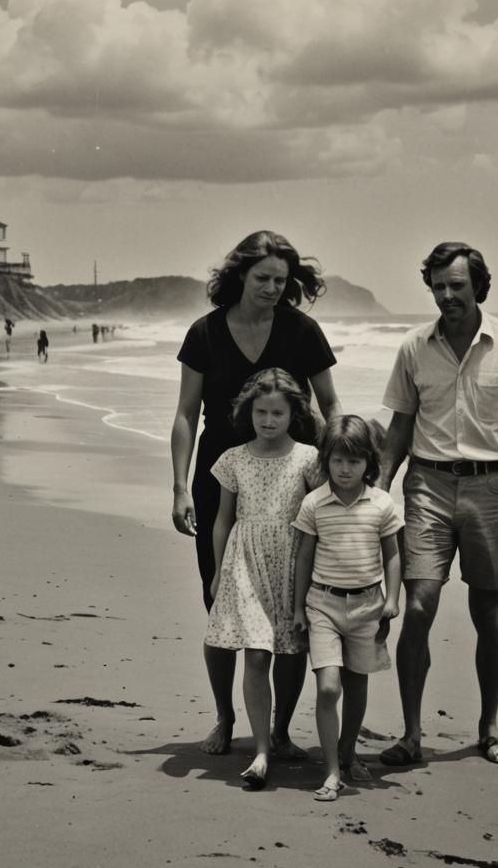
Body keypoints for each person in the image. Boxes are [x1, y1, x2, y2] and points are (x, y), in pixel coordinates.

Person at [171, 230, 343, 757]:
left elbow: (332, 408)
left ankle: (283, 730)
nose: (272, 288)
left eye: (281, 281)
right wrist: (180, 487)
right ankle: (224, 719)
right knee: (218, 602)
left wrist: (340, 483)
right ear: (240, 275)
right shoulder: (204, 333)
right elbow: (184, 414)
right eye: (263, 278)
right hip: (222, 480)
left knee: (293, 612)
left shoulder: (302, 331)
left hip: (295, 485)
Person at [376, 241, 498, 767]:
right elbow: (401, 424)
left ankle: (489, 728)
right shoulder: (413, 347)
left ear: (478, 286)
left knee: (487, 611)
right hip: (426, 485)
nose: (446, 295)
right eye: (438, 285)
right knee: (419, 606)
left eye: (456, 285)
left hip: (490, 490)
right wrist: (376, 492)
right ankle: (410, 734)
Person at [205, 368, 323, 789]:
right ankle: (259, 750)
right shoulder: (233, 459)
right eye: (260, 412)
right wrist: (219, 571)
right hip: (245, 561)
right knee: (256, 652)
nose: (268, 420)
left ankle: (282, 732)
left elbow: (322, 515)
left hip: (292, 561)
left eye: (277, 412)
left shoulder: (309, 458)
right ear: (247, 411)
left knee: (290, 651)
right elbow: (222, 520)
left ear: (294, 414)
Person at [291, 416, 403, 802]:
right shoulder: (314, 502)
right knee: (329, 686)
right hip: (322, 604)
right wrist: (298, 609)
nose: (344, 469)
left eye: (353, 462)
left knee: (357, 685)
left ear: (368, 464)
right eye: (338, 460)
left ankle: (348, 750)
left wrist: (392, 599)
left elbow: (392, 554)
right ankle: (332, 770)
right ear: (326, 460)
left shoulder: (383, 503)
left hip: (368, 605)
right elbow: (304, 557)